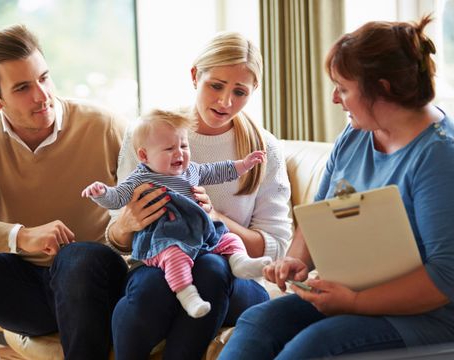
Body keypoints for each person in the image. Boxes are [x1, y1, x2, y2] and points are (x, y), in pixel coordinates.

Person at [219, 15, 454, 359]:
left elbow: (444, 278)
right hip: (350, 295)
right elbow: (320, 213)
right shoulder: (356, 133)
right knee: (259, 321)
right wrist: (295, 261)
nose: (334, 98)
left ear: (383, 87)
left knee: (311, 347)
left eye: (343, 88)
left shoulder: (438, 158)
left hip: (426, 316)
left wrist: (355, 301)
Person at [105, 32, 293, 359]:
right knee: (149, 287)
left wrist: (217, 219)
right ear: (195, 76)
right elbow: (118, 236)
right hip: (162, 264)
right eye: (216, 86)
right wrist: (126, 224)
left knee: (210, 268)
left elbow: (276, 246)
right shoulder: (150, 133)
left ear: (253, 92)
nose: (225, 102)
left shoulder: (263, 149)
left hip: (235, 279)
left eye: (240, 92)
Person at [0, 24, 129, 360]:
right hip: (29, 292)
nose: (42, 95)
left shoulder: (103, 124)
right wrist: (20, 236)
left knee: (75, 257)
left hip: (98, 281)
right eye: (23, 88)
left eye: (44, 78)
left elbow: (149, 186)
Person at [82, 108, 272, 319]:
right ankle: (187, 294)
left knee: (229, 237)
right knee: (175, 257)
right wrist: (100, 193)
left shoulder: (191, 171)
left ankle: (240, 263)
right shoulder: (139, 178)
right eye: (169, 148)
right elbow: (116, 198)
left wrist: (244, 164)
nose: (179, 153)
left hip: (198, 232)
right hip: (164, 238)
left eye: (183, 145)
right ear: (144, 156)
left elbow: (218, 171)